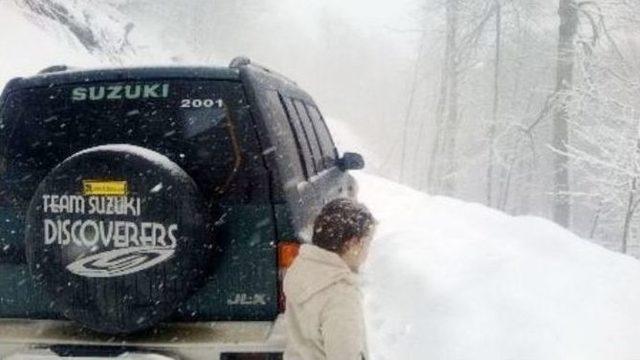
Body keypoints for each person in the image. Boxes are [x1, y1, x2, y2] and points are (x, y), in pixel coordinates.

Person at [284, 198, 377, 360]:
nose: (367, 253)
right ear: (353, 244)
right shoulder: (340, 294)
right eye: (367, 243)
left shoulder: (303, 268)